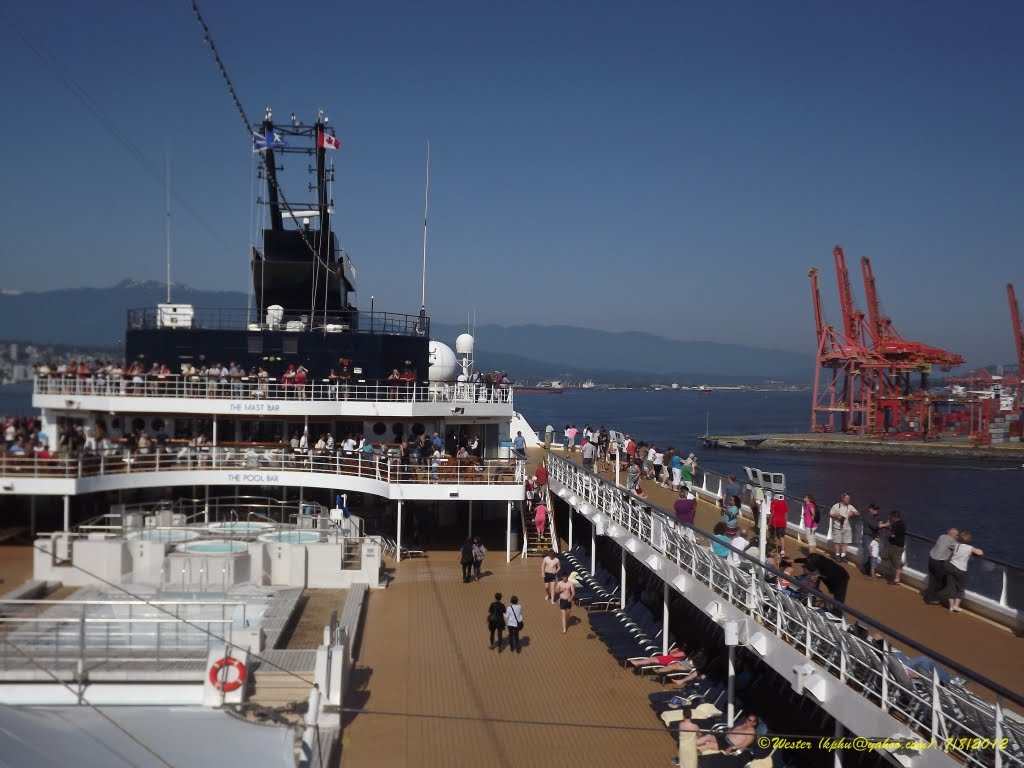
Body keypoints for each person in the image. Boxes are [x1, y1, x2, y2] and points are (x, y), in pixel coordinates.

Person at [942, 531, 984, 612]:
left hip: (950, 566)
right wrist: (971, 552)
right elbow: (980, 552)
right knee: (960, 588)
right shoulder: (969, 548)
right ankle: (956, 606)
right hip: (960, 570)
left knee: (951, 587)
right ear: (968, 540)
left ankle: (950, 606)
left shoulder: (956, 545)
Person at [923, 528, 958, 604]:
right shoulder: (951, 541)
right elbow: (959, 548)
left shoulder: (941, 536)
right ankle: (933, 598)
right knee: (941, 581)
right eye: (957, 535)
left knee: (932, 579)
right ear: (953, 535)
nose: (957, 537)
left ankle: (929, 596)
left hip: (931, 559)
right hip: (938, 562)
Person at [828, 493, 859, 562]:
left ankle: (843, 556)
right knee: (837, 542)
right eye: (847, 498)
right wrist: (836, 516)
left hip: (847, 528)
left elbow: (858, 513)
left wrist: (853, 513)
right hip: (837, 527)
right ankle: (837, 555)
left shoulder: (850, 507)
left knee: (845, 543)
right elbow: (830, 514)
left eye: (849, 498)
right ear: (843, 499)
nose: (849, 500)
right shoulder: (836, 506)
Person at [879, 509, 906, 585]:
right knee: (892, 559)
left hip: (895, 546)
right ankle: (892, 576)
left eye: (892, 517)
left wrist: (888, 534)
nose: (891, 518)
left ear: (894, 517)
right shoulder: (903, 524)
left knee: (896, 563)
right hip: (899, 546)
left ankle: (896, 579)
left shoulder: (895, 525)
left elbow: (892, 535)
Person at [860, 503, 882, 575]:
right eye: (875, 509)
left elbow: (879, 522)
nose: (876, 510)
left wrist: (880, 524)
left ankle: (869, 570)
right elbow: (874, 526)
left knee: (872, 554)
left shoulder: (876, 517)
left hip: (873, 537)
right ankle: (864, 569)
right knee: (867, 553)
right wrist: (883, 525)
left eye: (877, 509)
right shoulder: (866, 516)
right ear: (870, 509)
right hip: (867, 537)